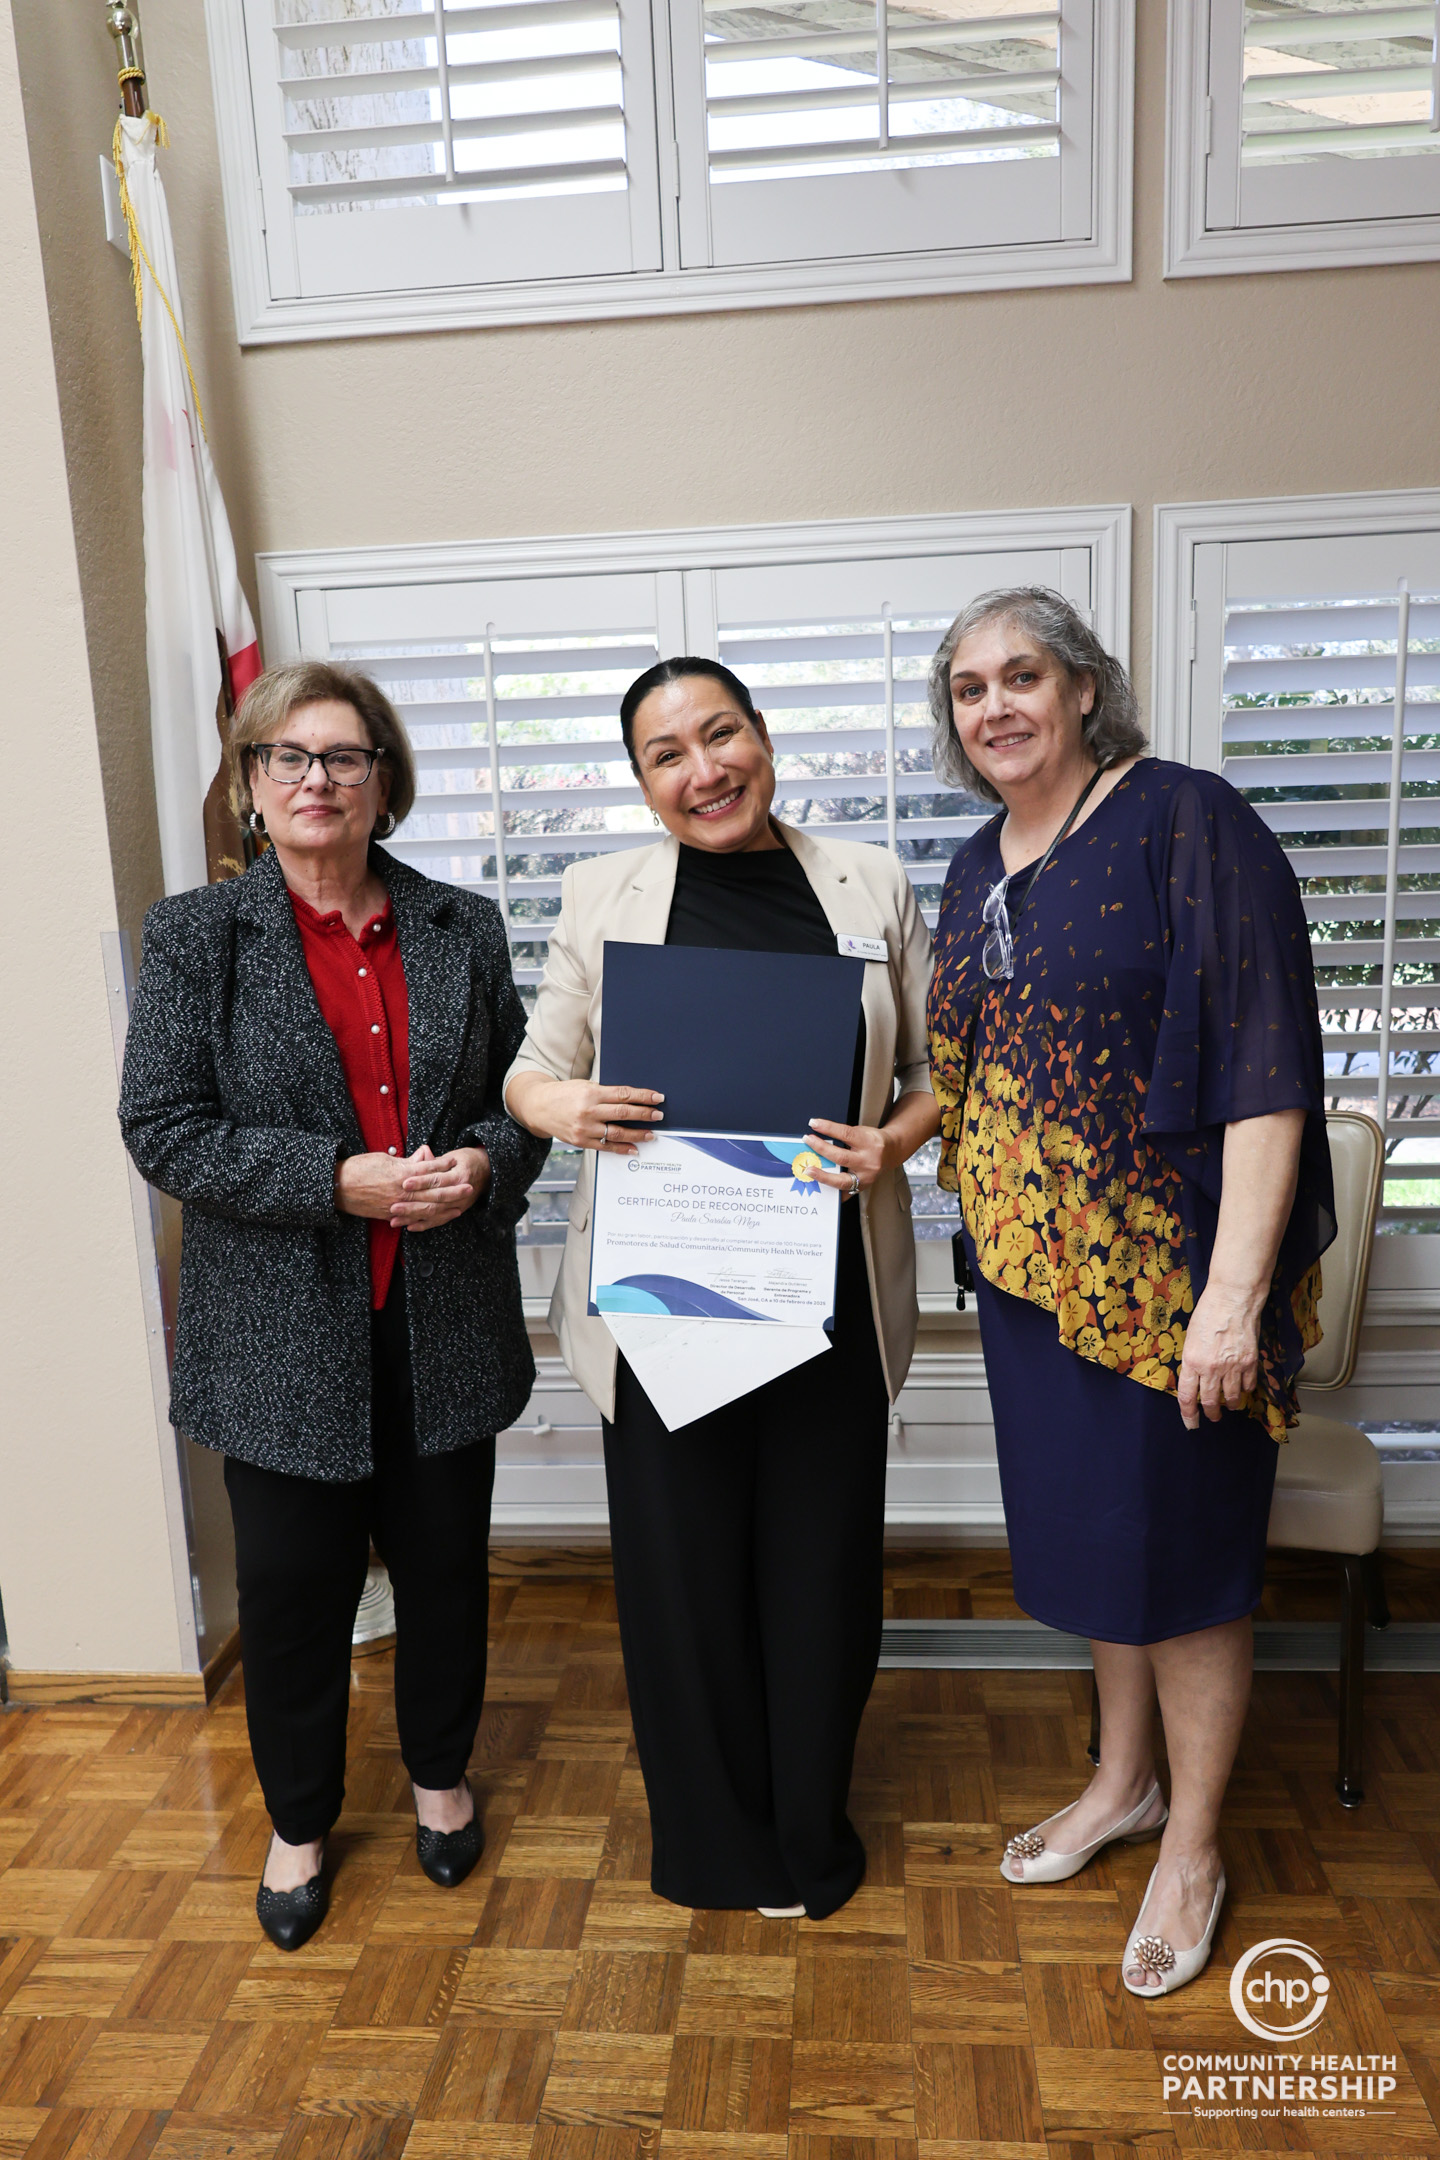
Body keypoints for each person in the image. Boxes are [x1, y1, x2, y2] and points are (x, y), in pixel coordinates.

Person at [925, 588, 1334, 1997]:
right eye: (969, 688)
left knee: (1188, 1567)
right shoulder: (974, 860)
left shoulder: (1185, 818)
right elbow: (973, 1066)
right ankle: (1123, 1785)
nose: (996, 706)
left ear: (1085, 686)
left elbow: (1267, 1064)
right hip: (1031, 1284)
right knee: (1105, 1546)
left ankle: (1195, 1845)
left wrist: (1235, 1298)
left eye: (1022, 675)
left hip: (1173, 1285)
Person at [119, 661, 548, 1951]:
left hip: (441, 1318)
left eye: (345, 757)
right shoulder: (196, 937)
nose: (318, 780)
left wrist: (483, 1165)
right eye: (288, 757)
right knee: (294, 1591)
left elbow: (521, 1099)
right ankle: (300, 1822)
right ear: (251, 784)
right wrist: (334, 1180)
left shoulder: (463, 927)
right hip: (277, 1336)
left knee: (445, 1575)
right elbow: (162, 1127)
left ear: (383, 780)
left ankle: (440, 1779)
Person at [504, 657, 937, 1919]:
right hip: (662, 1299)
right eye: (667, 754)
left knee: (821, 1580)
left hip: (828, 1294)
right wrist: (566, 1110)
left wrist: (890, 1143)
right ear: (642, 782)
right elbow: (531, 1073)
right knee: (683, 1586)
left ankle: (808, 1834)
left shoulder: (869, 881)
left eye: (722, 733)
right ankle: (711, 1848)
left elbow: (933, 1075)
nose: (704, 770)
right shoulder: (601, 894)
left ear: (764, 737)